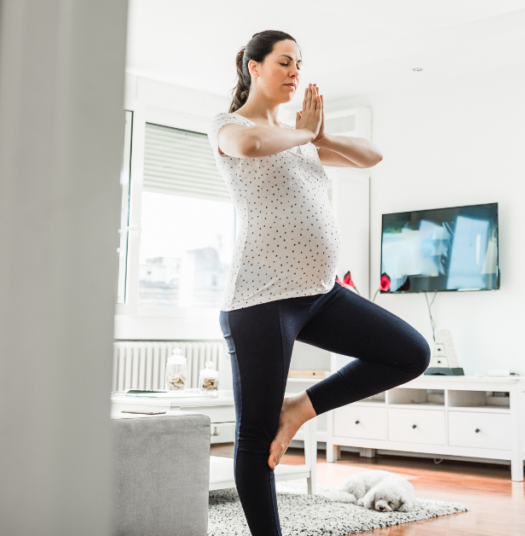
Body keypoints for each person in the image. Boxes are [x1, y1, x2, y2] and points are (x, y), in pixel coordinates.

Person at [209, 30, 431, 536]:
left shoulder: (301, 139)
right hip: (261, 299)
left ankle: (300, 409)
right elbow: (249, 144)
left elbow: (371, 156)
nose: (294, 72)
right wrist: (303, 135)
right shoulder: (229, 125)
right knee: (255, 437)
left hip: (321, 294)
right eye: (284, 62)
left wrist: (320, 136)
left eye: (299, 64)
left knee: (411, 352)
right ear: (253, 67)